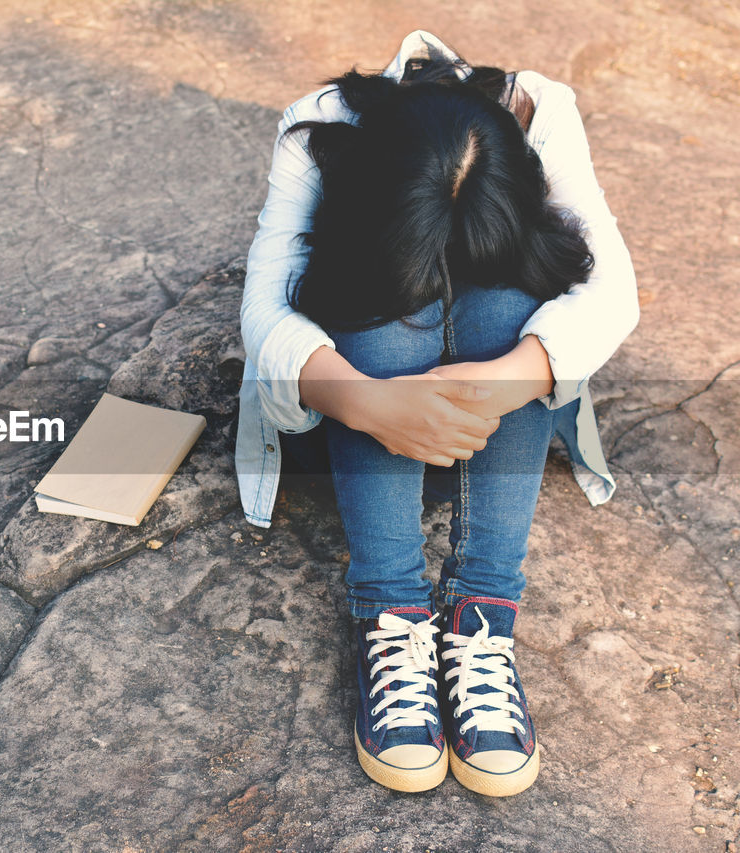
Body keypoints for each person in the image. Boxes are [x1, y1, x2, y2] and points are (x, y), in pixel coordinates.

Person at [235, 31, 638, 796]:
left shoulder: (538, 111)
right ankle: (389, 612)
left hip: (484, 430)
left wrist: (506, 379)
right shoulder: (318, 129)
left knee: (522, 306)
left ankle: (484, 614)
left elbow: (612, 291)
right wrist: (369, 399)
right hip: (358, 418)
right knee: (373, 302)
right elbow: (264, 308)